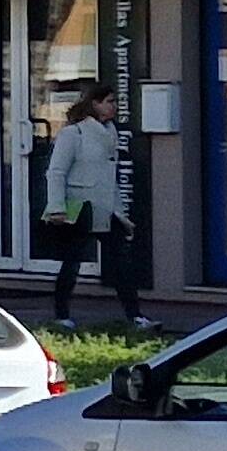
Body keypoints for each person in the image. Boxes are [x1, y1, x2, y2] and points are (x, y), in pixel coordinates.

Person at [45, 89, 142, 328]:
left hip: (106, 208)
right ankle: (62, 315)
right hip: (80, 209)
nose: (114, 107)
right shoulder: (73, 134)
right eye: (108, 102)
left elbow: (110, 177)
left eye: (115, 102)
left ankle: (135, 315)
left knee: (121, 263)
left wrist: (120, 214)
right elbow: (56, 172)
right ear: (94, 104)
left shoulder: (111, 133)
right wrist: (57, 207)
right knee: (72, 262)